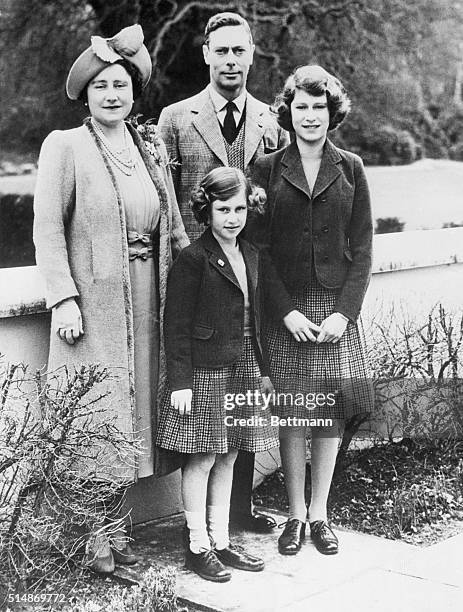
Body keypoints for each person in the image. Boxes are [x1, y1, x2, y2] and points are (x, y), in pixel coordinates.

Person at [33, 25, 189, 574]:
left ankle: (117, 530)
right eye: (100, 86)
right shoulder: (66, 146)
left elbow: (173, 229)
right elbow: (48, 230)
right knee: (98, 415)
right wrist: (63, 299)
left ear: (133, 89)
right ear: (85, 94)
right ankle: (94, 540)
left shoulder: (148, 146)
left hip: (151, 299)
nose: (111, 94)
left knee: (138, 410)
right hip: (96, 307)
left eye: (119, 83)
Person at [158, 10, 289, 533]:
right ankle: (200, 524)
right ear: (207, 54)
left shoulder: (269, 122)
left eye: (240, 51)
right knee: (206, 406)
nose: (231, 60)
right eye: (222, 51)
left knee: (241, 399)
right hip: (197, 271)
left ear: (252, 55)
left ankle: (238, 511)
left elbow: (275, 204)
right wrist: (181, 255)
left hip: (250, 275)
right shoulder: (175, 118)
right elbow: (166, 202)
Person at [248, 65, 374, 556]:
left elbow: (362, 248)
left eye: (319, 107)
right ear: (288, 111)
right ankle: (295, 516)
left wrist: (345, 312)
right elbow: (256, 250)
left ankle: (321, 513)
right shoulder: (266, 169)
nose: (310, 115)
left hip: (334, 309)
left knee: (328, 413)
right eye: (301, 106)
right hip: (287, 310)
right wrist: (284, 312)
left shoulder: (352, 167)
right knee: (294, 412)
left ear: (332, 112)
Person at [156, 167, 279, 582]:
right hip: (206, 371)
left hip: (244, 364)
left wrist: (263, 371)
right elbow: (175, 325)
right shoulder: (193, 259)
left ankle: (221, 541)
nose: (232, 217)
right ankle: (196, 545)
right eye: (223, 209)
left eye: (240, 208)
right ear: (206, 211)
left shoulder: (253, 254)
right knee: (204, 456)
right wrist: (181, 381)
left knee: (230, 453)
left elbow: (256, 320)